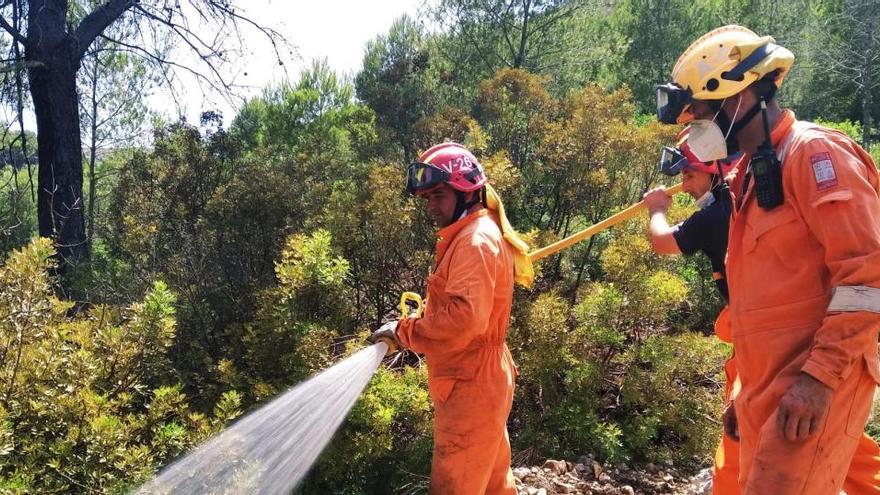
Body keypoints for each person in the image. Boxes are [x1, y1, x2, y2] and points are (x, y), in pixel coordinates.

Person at [656, 25, 880, 494]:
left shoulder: (814, 153)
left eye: (698, 109)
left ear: (737, 97)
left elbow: (867, 276)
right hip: (770, 384)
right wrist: (747, 393)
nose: (692, 123)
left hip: (812, 380)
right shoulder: (753, 177)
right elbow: (764, 304)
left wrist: (819, 379)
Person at [370, 142, 531, 494]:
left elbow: (464, 321)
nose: (430, 205)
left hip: (470, 383)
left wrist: (405, 331)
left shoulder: (473, 242)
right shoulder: (476, 232)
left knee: (456, 485)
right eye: (426, 197)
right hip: (483, 377)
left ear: (466, 191)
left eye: (439, 194)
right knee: (490, 482)